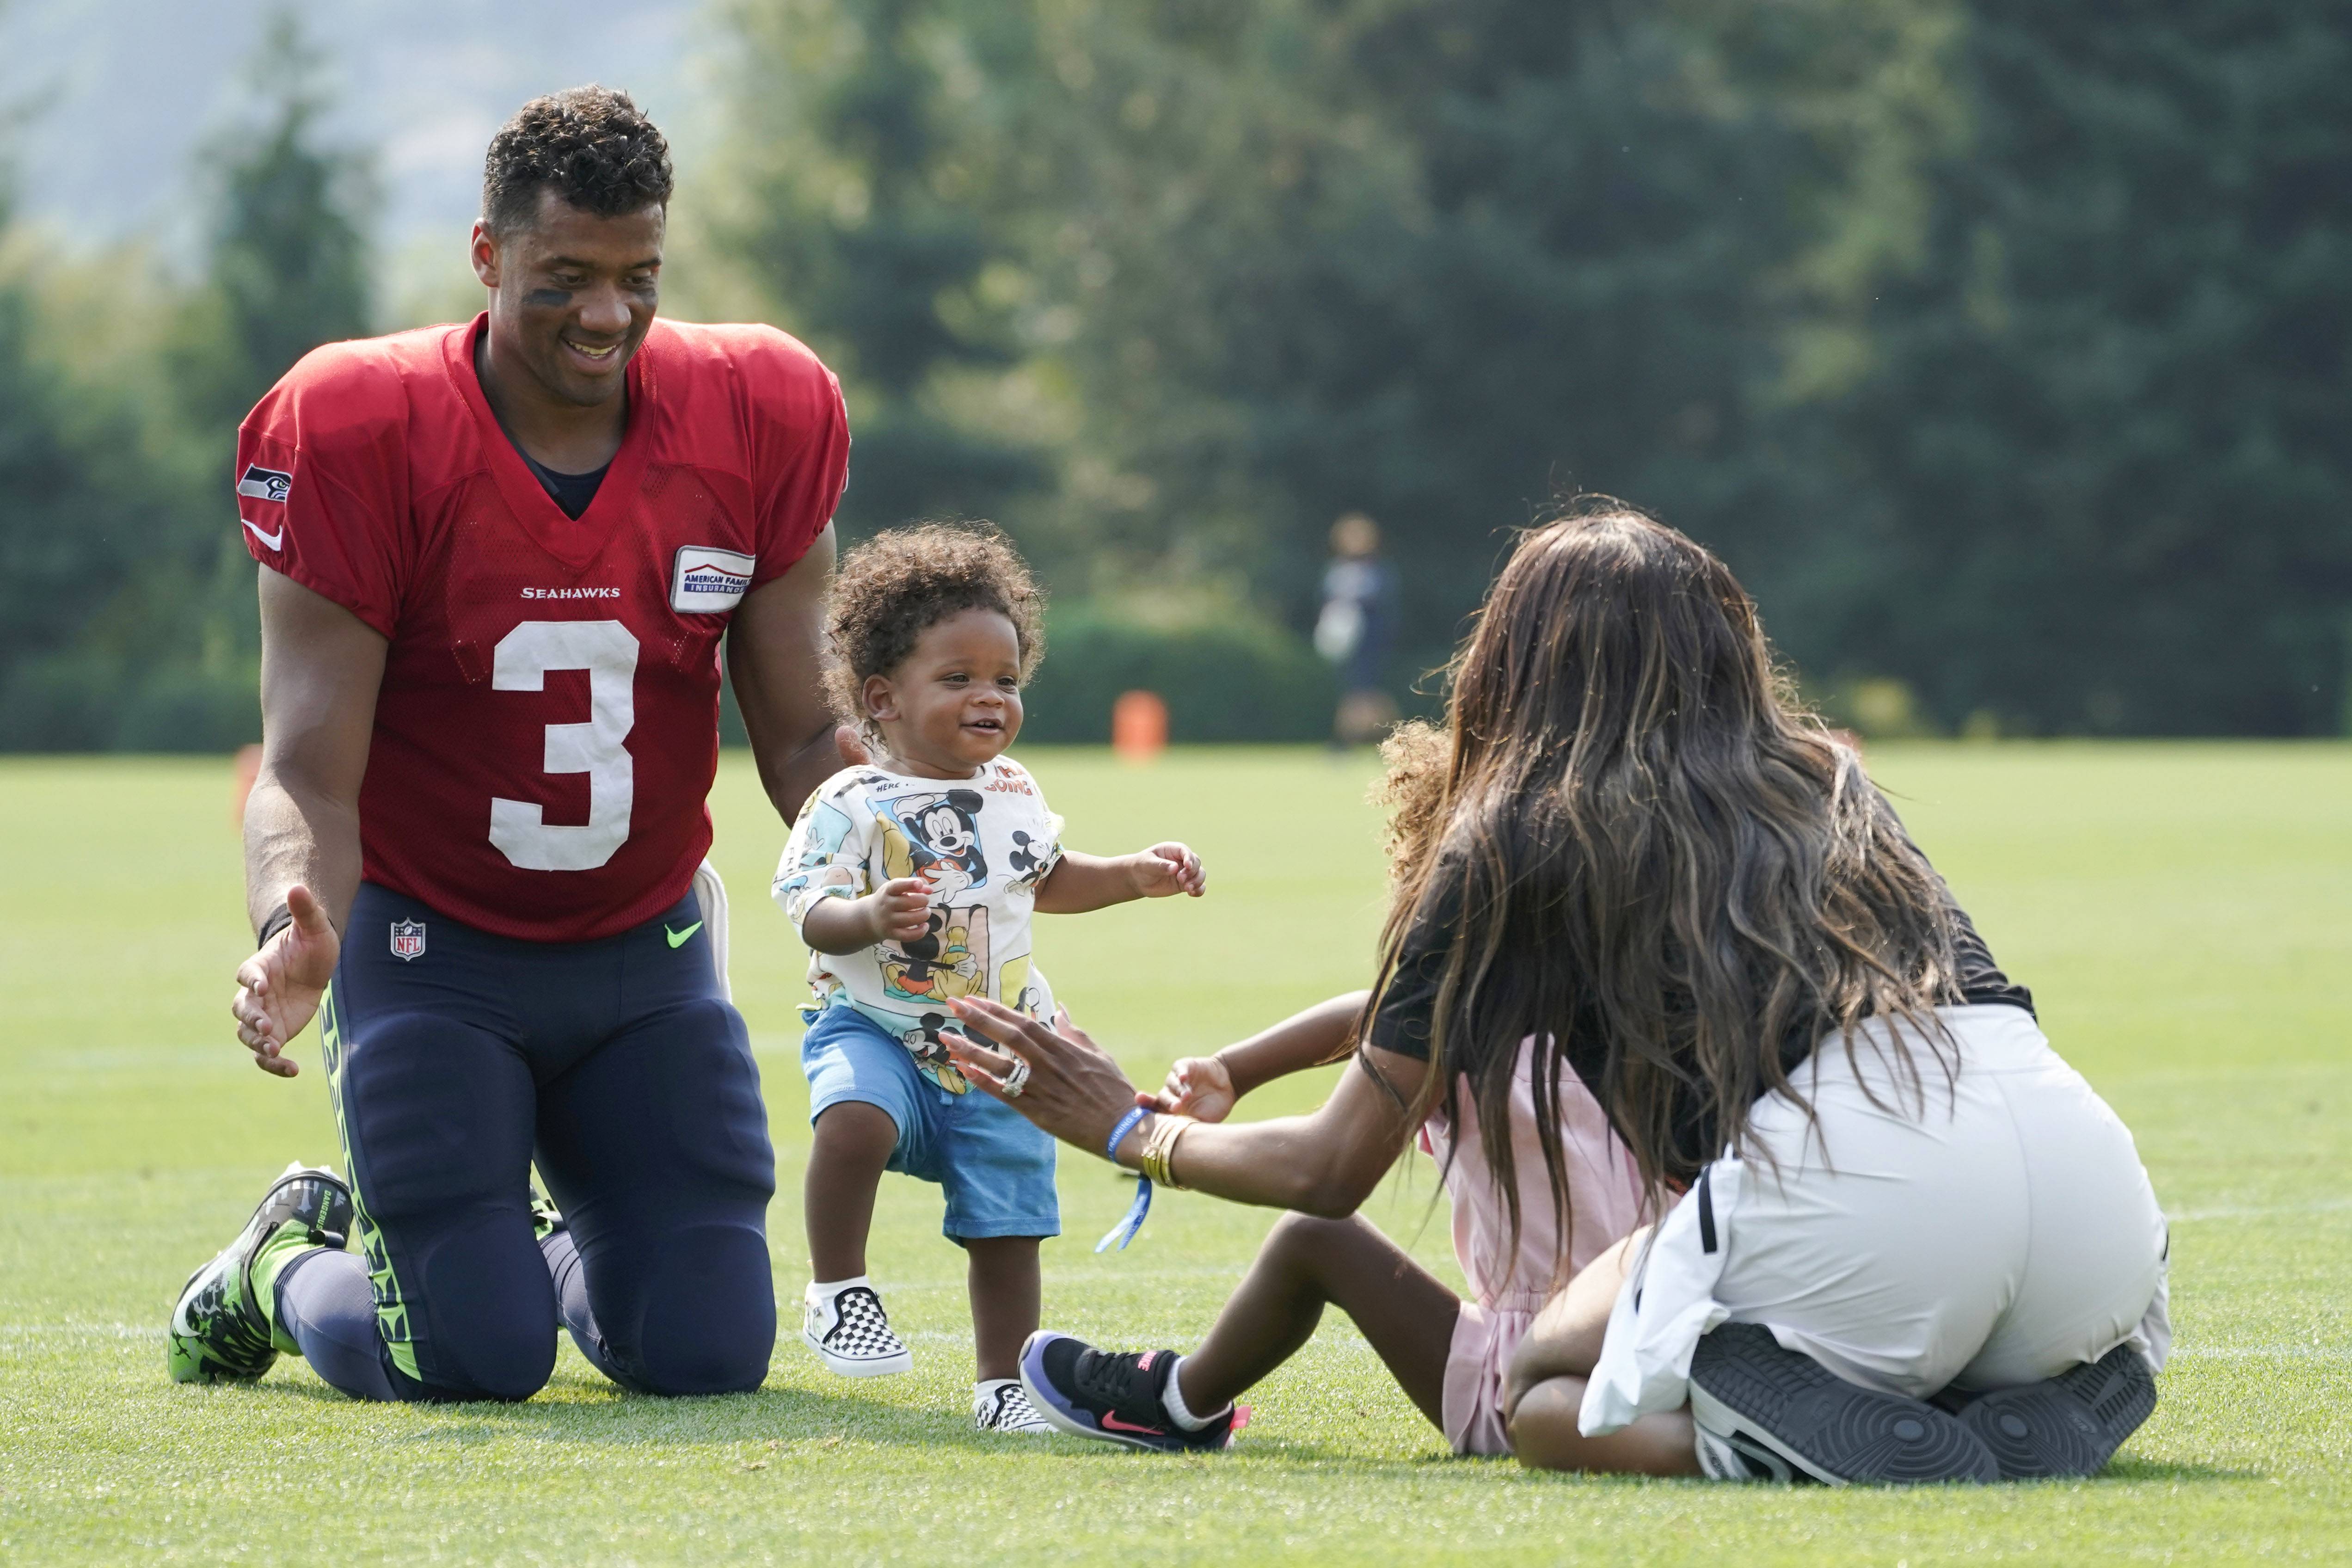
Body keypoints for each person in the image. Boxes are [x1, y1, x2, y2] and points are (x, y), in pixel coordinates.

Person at [940, 504, 2169, 1483]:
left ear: (1513, 657)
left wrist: (1127, 1125)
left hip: (1862, 1174)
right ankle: (2016, 1406)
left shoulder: (1517, 829)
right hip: (2082, 1178)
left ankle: (1795, 1441)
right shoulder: (1823, 781)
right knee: (1878, 1290)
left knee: (1537, 1395)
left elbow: (1327, 1173)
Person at [172, 86, 854, 1404]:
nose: (606, 312)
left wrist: (918, 861)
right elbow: (307, 764)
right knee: (470, 1360)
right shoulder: (366, 424)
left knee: (704, 1348)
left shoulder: (759, 407)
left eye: (637, 275)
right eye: (565, 277)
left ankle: (517, 1250)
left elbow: (803, 734)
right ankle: (275, 1263)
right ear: (486, 256)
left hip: (641, 945)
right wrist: (292, 917)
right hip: (433, 948)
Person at [771, 523, 1207, 1435]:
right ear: (883, 699)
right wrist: (866, 916)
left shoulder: (1010, 791)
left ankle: (1003, 1382)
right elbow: (808, 907)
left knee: (1007, 1215)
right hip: (873, 1023)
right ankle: (837, 1290)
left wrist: (1131, 873)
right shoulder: (849, 802)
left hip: (996, 1038)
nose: (989, 697)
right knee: (852, 1122)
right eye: (958, 678)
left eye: (1004, 680)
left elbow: (1045, 880)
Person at [1313, 512, 1398, 748]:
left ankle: (1367, 742)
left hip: (1370, 639)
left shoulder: (1378, 570)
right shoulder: (1336, 570)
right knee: (1356, 693)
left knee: (1367, 694)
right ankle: (1366, 742)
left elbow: (1383, 605)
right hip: (1346, 642)